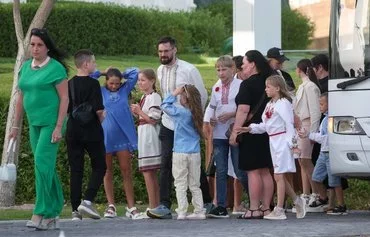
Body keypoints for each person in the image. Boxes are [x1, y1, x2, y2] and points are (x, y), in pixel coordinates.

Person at [147, 36, 212, 219]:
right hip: (168, 122)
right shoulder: (159, 70)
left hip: (187, 123)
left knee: (194, 166)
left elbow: (200, 94)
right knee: (166, 162)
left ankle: (206, 203)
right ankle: (164, 205)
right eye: (160, 51)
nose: (163, 54)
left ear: (174, 50)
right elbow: (164, 93)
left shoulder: (189, 69)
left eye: (166, 51)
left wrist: (194, 117)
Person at [10, 28, 68, 230]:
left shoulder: (56, 69)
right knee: (44, 166)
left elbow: (64, 98)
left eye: (39, 45)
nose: (35, 48)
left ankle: (40, 211)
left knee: (42, 164)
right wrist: (16, 126)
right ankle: (54, 209)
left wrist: (59, 126)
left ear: (47, 47)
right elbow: (20, 97)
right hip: (34, 122)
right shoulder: (25, 68)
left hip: (52, 123)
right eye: (32, 44)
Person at [241, 75, 306, 220]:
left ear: (277, 88)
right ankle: (297, 200)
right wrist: (250, 128)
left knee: (278, 175)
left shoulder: (283, 103)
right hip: (273, 141)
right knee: (279, 174)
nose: (266, 89)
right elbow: (266, 126)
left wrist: (293, 145)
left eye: (268, 87)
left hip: (282, 140)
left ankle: (279, 209)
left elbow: (289, 124)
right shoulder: (270, 103)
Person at [230, 50, 274, 219]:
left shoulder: (247, 84)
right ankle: (265, 208)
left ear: (253, 63)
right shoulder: (269, 82)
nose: (242, 66)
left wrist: (235, 131)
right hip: (267, 130)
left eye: (245, 63)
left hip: (250, 131)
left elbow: (243, 109)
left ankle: (254, 208)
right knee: (265, 171)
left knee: (253, 171)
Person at [204, 55, 248, 218]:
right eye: (218, 70)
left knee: (240, 170)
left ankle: (256, 201)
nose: (221, 73)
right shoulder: (216, 87)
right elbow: (211, 106)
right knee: (220, 170)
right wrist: (208, 120)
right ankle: (221, 206)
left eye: (224, 69)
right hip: (219, 134)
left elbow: (246, 109)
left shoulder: (241, 86)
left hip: (234, 132)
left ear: (233, 69)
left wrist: (231, 114)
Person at [99, 67, 145, 219]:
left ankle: (131, 207)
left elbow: (135, 72)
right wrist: (105, 72)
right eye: (111, 83)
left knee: (127, 172)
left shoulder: (124, 90)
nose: (114, 86)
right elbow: (89, 76)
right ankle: (111, 206)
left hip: (122, 138)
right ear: (106, 82)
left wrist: (119, 73)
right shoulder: (100, 91)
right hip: (105, 137)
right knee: (107, 171)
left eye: (117, 83)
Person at [66, 49, 106, 221]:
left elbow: (67, 109)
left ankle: (75, 210)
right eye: (94, 62)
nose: (95, 65)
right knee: (100, 166)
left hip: (73, 130)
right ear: (86, 64)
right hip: (91, 131)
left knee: (76, 170)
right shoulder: (93, 84)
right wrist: (101, 118)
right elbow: (99, 110)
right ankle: (88, 200)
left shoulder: (68, 84)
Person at [160, 85, 206, 220]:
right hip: (195, 151)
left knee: (180, 183)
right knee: (195, 184)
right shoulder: (197, 113)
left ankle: (182, 211)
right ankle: (199, 210)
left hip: (180, 151)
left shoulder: (180, 113)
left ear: (185, 99)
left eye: (181, 96)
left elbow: (164, 105)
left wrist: (174, 92)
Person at [298, 92, 347, 215]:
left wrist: (310, 135)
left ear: (330, 105)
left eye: (322, 104)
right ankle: (324, 198)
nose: (320, 106)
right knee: (316, 177)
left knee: (334, 181)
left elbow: (325, 138)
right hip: (323, 152)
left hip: (331, 153)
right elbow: (321, 136)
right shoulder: (325, 119)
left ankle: (341, 205)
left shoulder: (332, 119)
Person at [131, 69, 162, 211]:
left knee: (148, 172)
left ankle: (152, 205)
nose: (139, 83)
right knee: (150, 172)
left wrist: (139, 112)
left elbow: (154, 119)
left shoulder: (154, 97)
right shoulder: (146, 97)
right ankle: (154, 205)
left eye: (143, 80)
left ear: (152, 81)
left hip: (150, 136)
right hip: (145, 135)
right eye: (139, 80)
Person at [294, 59, 321, 206]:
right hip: (301, 126)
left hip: (308, 125)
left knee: (305, 160)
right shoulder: (304, 86)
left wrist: (313, 132)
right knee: (301, 160)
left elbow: (315, 111)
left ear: (300, 70)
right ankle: (306, 193)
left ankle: (316, 193)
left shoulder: (310, 87)